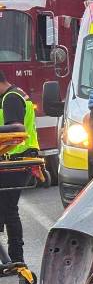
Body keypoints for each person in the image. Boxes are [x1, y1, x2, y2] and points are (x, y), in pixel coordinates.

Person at [0, 70, 40, 265]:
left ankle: (16, 259)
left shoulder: (11, 99)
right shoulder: (12, 95)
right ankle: (9, 259)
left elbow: (16, 129)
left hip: (15, 162)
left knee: (8, 209)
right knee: (6, 208)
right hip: (11, 162)